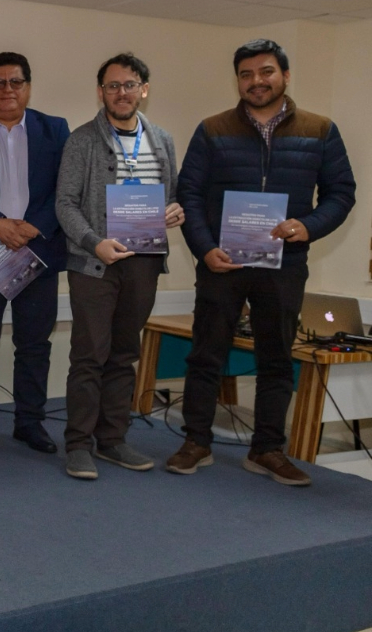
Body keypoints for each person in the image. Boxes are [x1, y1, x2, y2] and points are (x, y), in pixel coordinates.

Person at [166, 39, 356, 486]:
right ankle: (196, 442)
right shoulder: (212, 129)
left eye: (266, 72)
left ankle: (267, 449)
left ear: (285, 76)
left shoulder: (320, 129)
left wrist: (308, 226)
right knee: (205, 355)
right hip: (222, 263)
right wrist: (204, 249)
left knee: (276, 359)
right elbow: (189, 193)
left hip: (284, 264)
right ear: (238, 80)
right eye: (246, 74)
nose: (257, 81)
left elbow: (341, 193)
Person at [54, 53, 184, 481]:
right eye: (112, 86)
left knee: (125, 353)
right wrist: (95, 243)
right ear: (101, 92)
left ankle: (112, 439)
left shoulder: (162, 140)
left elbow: (171, 196)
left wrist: (174, 211)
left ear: (143, 89)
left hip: (144, 262)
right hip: (95, 263)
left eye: (130, 85)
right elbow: (65, 204)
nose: (121, 93)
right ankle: (78, 444)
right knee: (89, 354)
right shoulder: (82, 141)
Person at [0, 52, 70, 455]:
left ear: (28, 87)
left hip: (38, 250)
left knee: (35, 345)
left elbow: (66, 188)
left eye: (16, 82)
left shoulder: (55, 130)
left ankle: (30, 423)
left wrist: (35, 225)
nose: (8, 89)